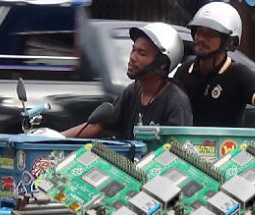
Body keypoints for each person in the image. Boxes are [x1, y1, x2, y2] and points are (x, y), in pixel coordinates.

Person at [173, 2, 255, 141]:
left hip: (226, 155)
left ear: (229, 41)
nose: (201, 38)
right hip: (186, 152)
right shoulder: (184, 71)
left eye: (210, 34)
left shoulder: (239, 74)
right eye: (199, 32)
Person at [62, 22, 192, 139]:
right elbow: (98, 126)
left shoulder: (175, 102)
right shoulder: (133, 91)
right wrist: (55, 138)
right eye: (133, 50)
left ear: (162, 63)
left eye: (141, 53)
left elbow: (177, 152)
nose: (132, 57)